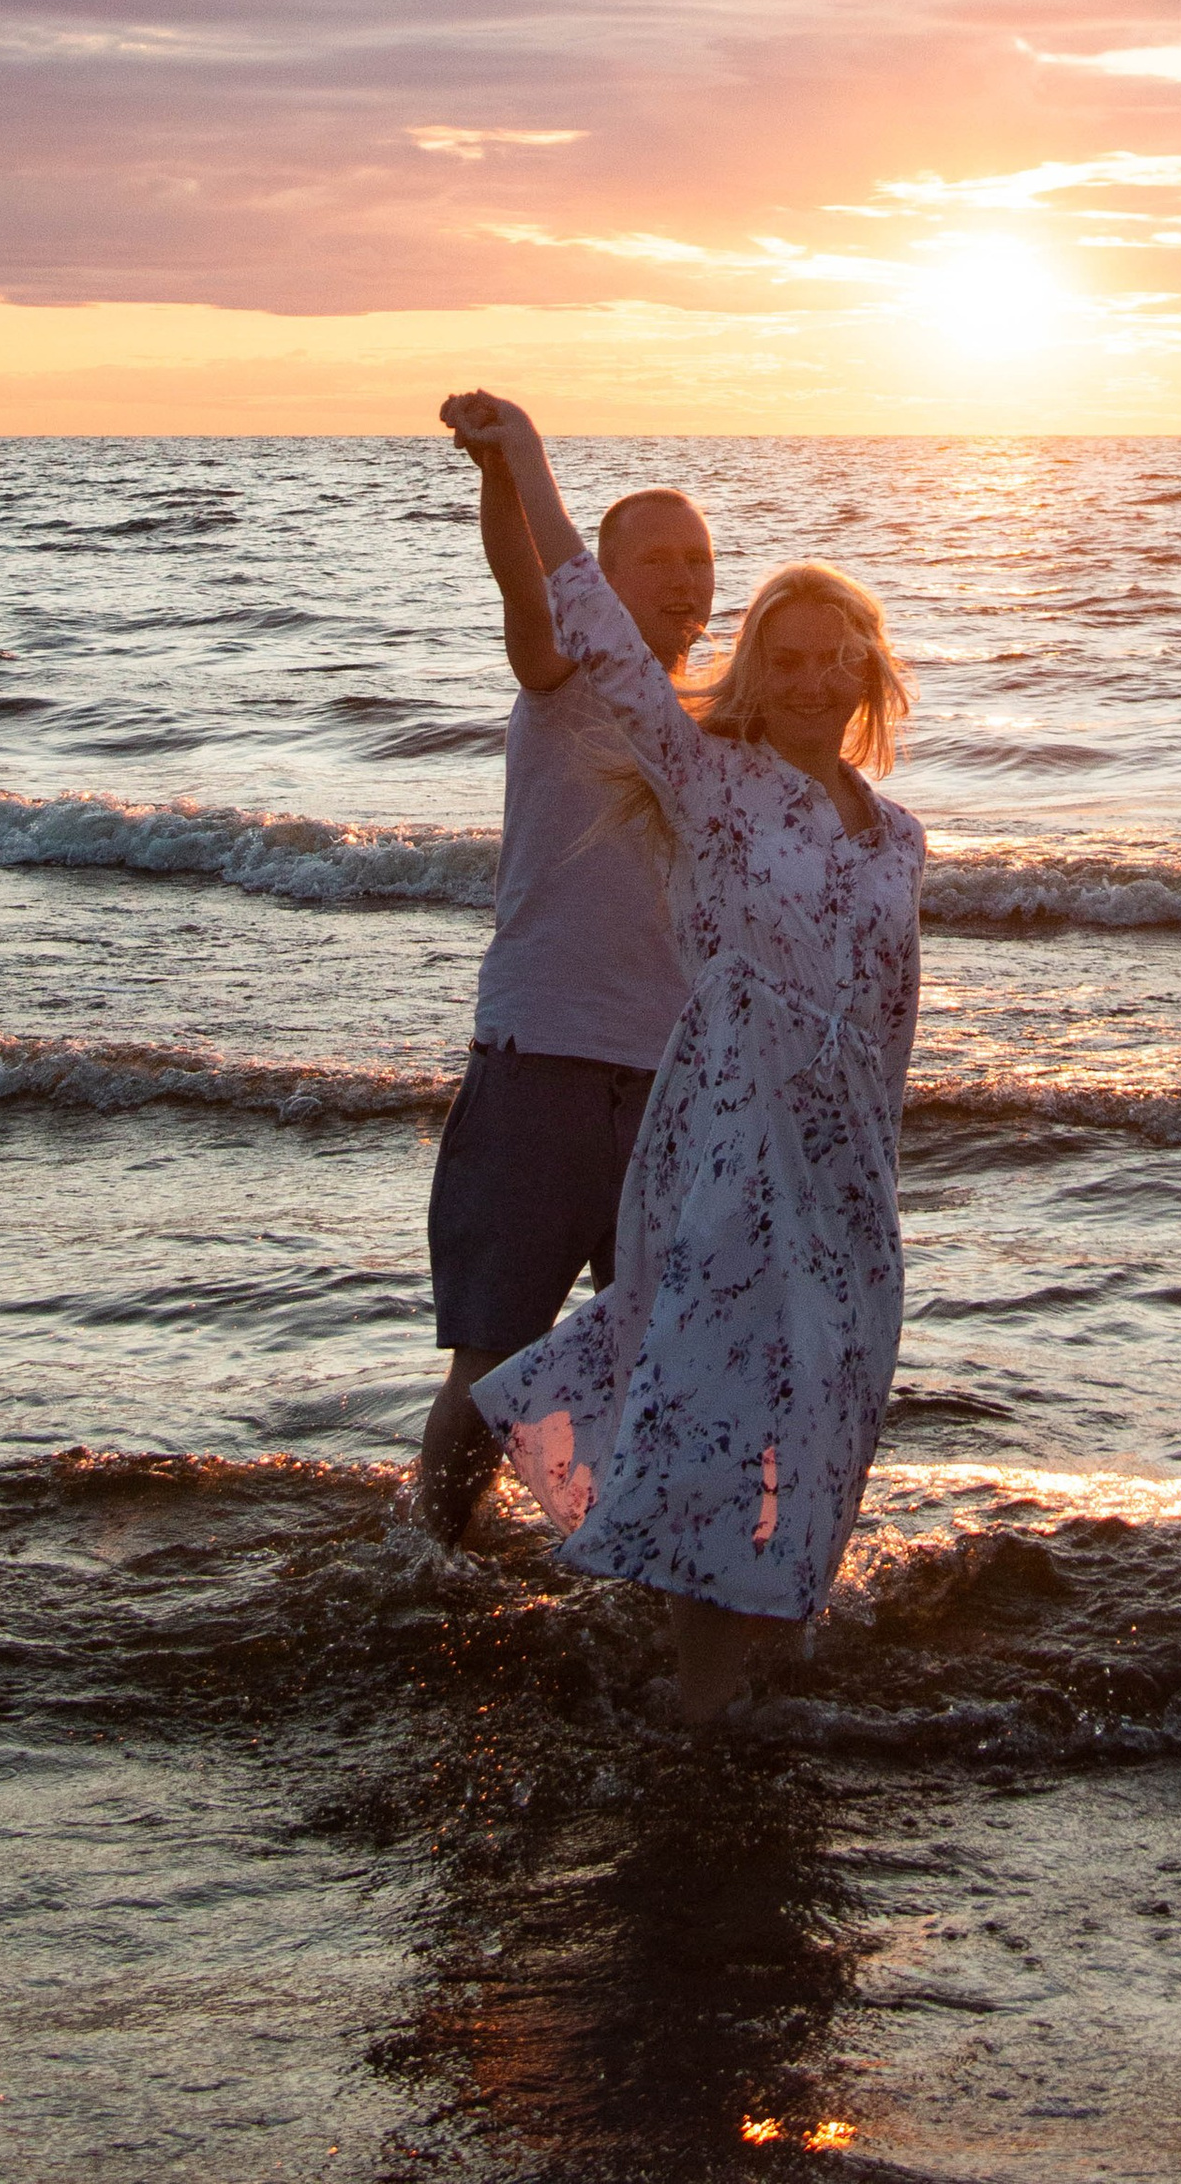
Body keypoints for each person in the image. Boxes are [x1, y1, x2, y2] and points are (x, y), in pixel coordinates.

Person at [437, 388, 925, 1728]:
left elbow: (891, 1014)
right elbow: (578, 617)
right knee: (708, 1391)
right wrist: (524, 460)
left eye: (841, 655)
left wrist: (878, 1175)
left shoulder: (897, 837)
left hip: (834, 1173)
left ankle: (744, 1642)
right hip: (717, 1139)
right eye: (789, 654)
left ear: (873, 676)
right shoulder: (706, 780)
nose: (816, 675)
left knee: (818, 1398)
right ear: (752, 674)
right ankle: (699, 1701)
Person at [414, 435, 717, 1544]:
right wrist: (505, 473)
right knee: (492, 1358)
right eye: (658, 560)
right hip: (539, 1055)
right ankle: (433, 1554)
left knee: (664, 1354)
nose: (685, 579)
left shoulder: (713, 728)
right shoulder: (562, 680)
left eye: (700, 559)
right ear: (604, 573)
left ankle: (634, 1554)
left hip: (673, 1083)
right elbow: (526, 591)